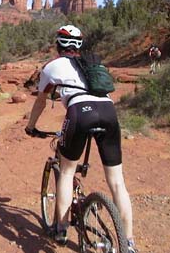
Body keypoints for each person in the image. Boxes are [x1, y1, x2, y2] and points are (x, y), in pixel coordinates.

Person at [25, 25, 138, 252]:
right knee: (117, 182)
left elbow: (41, 100)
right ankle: (129, 242)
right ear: (79, 46)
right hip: (108, 112)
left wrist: (31, 126)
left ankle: (61, 228)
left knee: (67, 172)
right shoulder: (94, 64)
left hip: (80, 113)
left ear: (58, 44)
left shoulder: (52, 66)